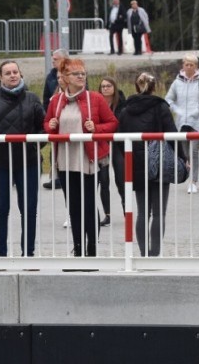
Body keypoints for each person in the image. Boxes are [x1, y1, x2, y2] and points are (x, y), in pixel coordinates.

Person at [44, 58, 118, 257]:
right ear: (65, 78)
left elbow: (112, 123)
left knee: (88, 205)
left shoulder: (95, 98)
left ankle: (92, 249)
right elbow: (48, 126)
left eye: (83, 74)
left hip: (87, 160)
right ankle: (78, 249)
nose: (81, 77)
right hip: (65, 161)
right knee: (74, 207)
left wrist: (97, 128)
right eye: (76, 74)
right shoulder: (56, 101)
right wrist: (50, 125)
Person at [0, 60, 45, 257]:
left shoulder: (32, 98)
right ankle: (0, 254)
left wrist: (32, 145)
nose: (12, 75)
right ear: (0, 78)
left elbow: (44, 127)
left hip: (28, 162)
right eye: (8, 73)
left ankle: (28, 253)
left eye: (15, 72)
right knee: (0, 210)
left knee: (29, 209)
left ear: (20, 74)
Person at [117, 72, 183, 257]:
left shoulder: (125, 109)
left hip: (136, 164)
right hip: (159, 163)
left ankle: (143, 253)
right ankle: (155, 254)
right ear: (154, 87)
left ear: (136, 86)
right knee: (159, 213)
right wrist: (182, 157)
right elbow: (172, 134)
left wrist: (129, 156)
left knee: (142, 212)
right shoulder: (160, 106)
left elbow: (119, 138)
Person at [165, 53, 199, 194]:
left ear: (196, 66)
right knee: (185, 154)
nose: (189, 67)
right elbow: (168, 99)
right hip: (181, 122)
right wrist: (176, 110)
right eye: (187, 64)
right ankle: (187, 175)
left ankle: (194, 181)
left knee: (194, 151)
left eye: (192, 64)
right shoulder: (177, 82)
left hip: (196, 121)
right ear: (183, 65)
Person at [98, 76, 126, 225]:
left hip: (118, 144)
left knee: (121, 179)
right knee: (103, 180)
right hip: (102, 143)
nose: (105, 88)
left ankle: (126, 211)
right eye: (103, 86)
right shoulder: (97, 103)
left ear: (114, 87)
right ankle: (107, 214)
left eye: (108, 86)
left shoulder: (122, 104)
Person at [42, 48, 69, 189]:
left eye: (56, 59)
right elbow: (46, 98)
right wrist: (47, 115)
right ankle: (56, 177)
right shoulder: (50, 76)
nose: (53, 61)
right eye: (52, 59)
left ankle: (68, 176)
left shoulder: (75, 73)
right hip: (54, 119)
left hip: (70, 118)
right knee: (54, 148)